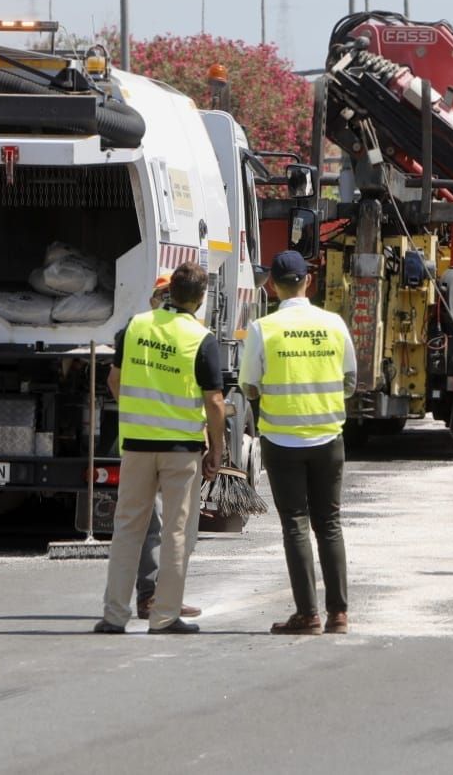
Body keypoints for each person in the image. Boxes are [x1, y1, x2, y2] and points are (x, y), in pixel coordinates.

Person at [95, 262, 225, 635]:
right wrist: (216, 447)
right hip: (180, 450)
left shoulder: (136, 327)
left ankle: (114, 615)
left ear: (170, 293)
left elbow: (114, 380)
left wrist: (136, 413)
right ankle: (165, 615)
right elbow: (214, 401)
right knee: (177, 531)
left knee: (127, 529)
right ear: (200, 299)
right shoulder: (201, 338)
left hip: (136, 445)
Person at [239, 250, 357, 636]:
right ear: (309, 281)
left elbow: (249, 385)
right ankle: (339, 614)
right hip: (328, 438)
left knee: (295, 524)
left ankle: (308, 615)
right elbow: (351, 380)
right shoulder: (334, 324)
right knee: (331, 524)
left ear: (271, 285)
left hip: (282, 439)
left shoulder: (264, 328)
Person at [133, 274, 200, 622]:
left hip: (169, 439)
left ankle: (164, 596)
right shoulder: (145, 332)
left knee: (174, 523)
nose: (165, 302)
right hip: (155, 440)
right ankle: (152, 597)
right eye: (160, 295)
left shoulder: (180, 333)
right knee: (156, 521)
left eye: (167, 295)